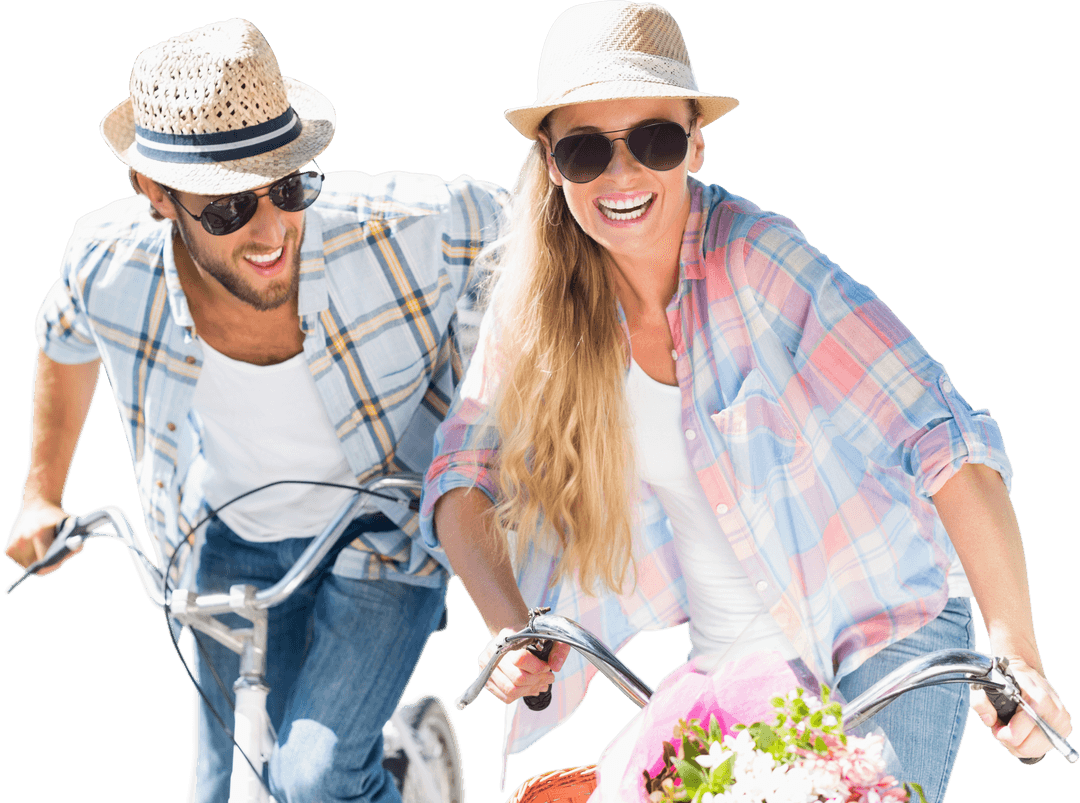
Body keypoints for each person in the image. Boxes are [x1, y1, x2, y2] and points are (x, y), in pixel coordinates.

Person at [420, 2, 1072, 801]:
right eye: (588, 150)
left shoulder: (757, 262)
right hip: (725, 673)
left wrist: (1017, 654)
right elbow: (460, 474)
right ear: (553, 164)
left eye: (653, 140)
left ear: (695, 140)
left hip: (881, 645)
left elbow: (945, 439)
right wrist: (507, 622)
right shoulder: (539, 309)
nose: (621, 176)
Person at [3, 18, 503, 803]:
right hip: (227, 542)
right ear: (157, 194)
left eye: (289, 185)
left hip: (383, 526)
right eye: (229, 208)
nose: (272, 229)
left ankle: (405, 775)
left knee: (312, 780)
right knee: (217, 789)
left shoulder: (399, 228)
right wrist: (40, 492)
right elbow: (64, 337)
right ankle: (398, 757)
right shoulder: (109, 261)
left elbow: (545, 230)